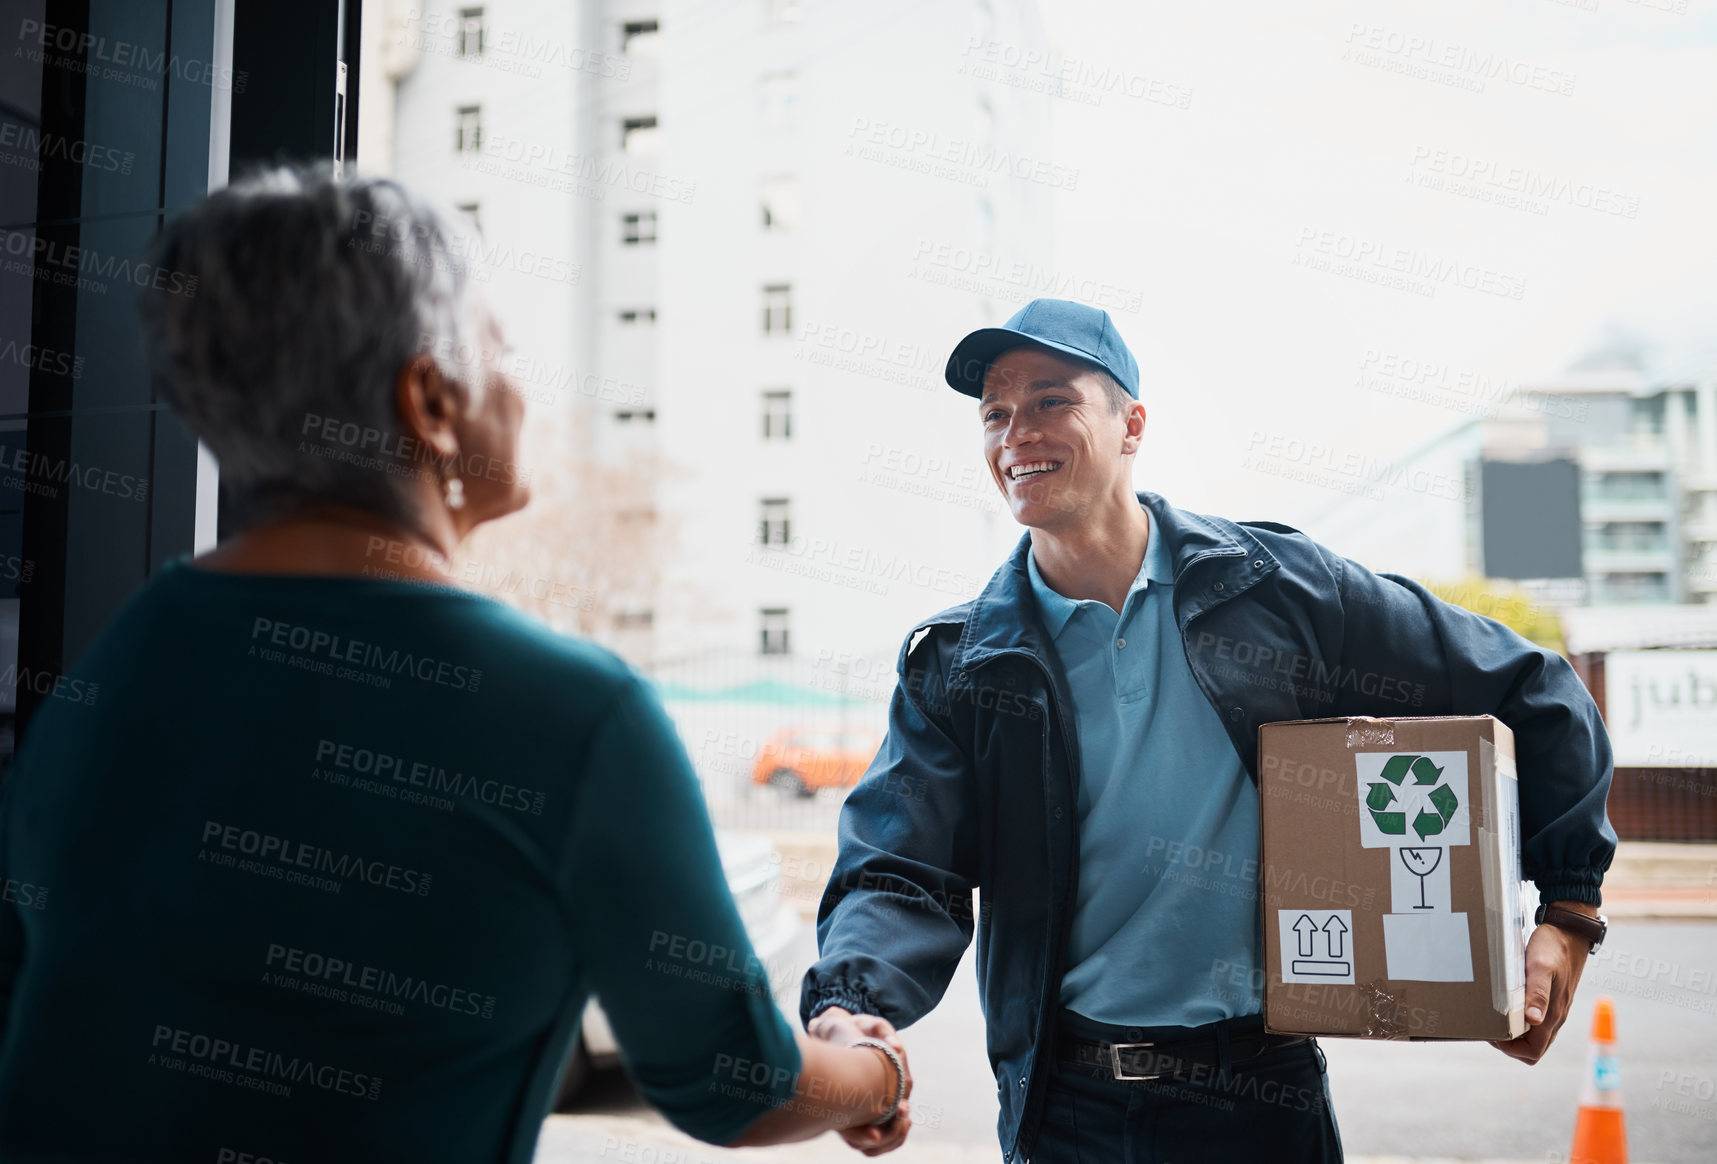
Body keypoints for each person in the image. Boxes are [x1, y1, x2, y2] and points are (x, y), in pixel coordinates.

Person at [0, 168, 912, 1162]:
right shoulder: (573, 714)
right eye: (499, 352)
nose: (520, 390)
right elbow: (735, 1086)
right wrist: (876, 1069)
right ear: (431, 402)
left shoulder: (109, 669)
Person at [800, 298, 1616, 1163]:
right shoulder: (961, 666)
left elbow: (1533, 687)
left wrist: (1567, 913)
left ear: (1130, 425)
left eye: (1050, 401)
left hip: (1262, 1094)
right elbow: (898, 871)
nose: (1015, 434)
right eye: (994, 414)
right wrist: (852, 1010)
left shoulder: (1275, 592)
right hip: (1063, 1110)